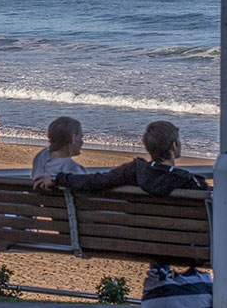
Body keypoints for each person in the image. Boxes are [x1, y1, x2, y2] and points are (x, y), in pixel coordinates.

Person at [34, 121, 211, 305]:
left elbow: (95, 182)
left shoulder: (134, 171)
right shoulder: (191, 182)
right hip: (187, 250)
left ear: (146, 144)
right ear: (174, 147)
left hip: (138, 243)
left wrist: (58, 178)